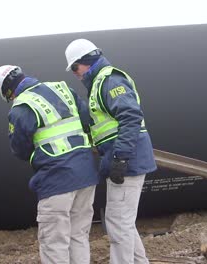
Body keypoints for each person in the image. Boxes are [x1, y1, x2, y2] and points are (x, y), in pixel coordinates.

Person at [0, 65, 99, 264]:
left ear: (8, 91)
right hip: (86, 176)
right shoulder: (62, 88)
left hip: (56, 181)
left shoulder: (22, 106)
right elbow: (86, 120)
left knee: (54, 242)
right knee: (78, 236)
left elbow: (20, 150)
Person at [64, 39, 157, 264]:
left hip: (127, 161)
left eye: (75, 68)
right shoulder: (98, 83)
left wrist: (120, 157)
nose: (75, 74)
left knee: (118, 223)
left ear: (86, 61)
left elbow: (130, 116)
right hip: (123, 160)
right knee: (123, 221)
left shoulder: (109, 80)